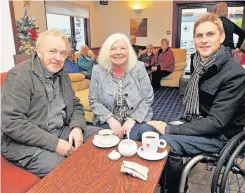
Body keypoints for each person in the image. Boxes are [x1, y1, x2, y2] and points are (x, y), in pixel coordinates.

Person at [146, 13, 245, 193]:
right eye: (199, 36)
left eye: (210, 34)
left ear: (222, 37)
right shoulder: (198, 62)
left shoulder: (235, 75)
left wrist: (169, 128)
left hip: (221, 136)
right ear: (194, 39)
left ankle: (175, 188)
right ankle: (160, 177)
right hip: (196, 120)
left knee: (166, 142)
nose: (204, 40)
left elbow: (216, 123)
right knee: (145, 130)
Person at [1, 29, 100, 178]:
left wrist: (77, 128)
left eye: (62, 53)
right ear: (38, 51)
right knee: (69, 170)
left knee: (102, 137)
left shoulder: (62, 72)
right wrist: (55, 144)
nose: (58, 58)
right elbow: (12, 123)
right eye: (52, 51)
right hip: (23, 143)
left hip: (59, 130)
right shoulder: (19, 76)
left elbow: (75, 105)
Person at [89, 33, 154, 140]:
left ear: (128, 51)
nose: (118, 52)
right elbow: (93, 100)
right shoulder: (97, 70)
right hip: (107, 118)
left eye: (123, 48)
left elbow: (148, 98)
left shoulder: (139, 68)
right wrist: (110, 120)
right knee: (108, 143)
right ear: (107, 52)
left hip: (137, 117)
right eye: (113, 49)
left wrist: (132, 119)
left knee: (133, 141)